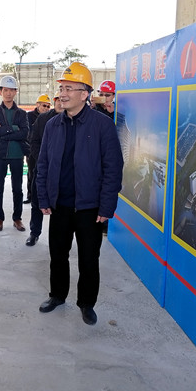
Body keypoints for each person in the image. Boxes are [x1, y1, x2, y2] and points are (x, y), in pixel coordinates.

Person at [36, 62, 123, 326]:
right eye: (61, 88)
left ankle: (86, 303)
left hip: (89, 208)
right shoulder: (53, 125)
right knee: (57, 255)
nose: (62, 94)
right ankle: (57, 295)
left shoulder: (102, 125)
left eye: (68, 89)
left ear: (84, 94)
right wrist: (43, 197)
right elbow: (42, 164)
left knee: (88, 259)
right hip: (59, 205)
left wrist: (106, 207)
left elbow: (113, 168)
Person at [0, 75, 29, 232]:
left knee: (17, 189)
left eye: (11, 90)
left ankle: (17, 218)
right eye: (5, 90)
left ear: (16, 92)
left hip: (17, 155)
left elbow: (24, 133)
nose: (8, 93)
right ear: (0, 92)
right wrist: (14, 129)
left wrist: (4, 131)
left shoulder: (22, 113)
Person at [26, 92, 63, 246]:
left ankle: (58, 237)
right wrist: (43, 160)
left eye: (62, 99)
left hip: (62, 172)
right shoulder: (43, 119)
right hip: (41, 168)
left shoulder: (72, 121)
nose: (60, 102)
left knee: (60, 205)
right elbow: (33, 141)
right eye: (57, 100)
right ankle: (34, 232)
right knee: (37, 201)